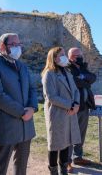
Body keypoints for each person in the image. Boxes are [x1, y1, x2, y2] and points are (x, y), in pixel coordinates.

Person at [0, 33, 38, 175]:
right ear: (2, 46)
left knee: (21, 167)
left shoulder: (22, 66)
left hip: (26, 126)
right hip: (7, 126)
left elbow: (32, 88)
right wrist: (22, 112)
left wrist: (32, 108)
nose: (17, 48)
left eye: (19, 44)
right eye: (13, 44)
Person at [41, 47, 81, 175]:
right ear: (53, 58)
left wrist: (76, 104)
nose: (64, 57)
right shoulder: (49, 74)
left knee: (66, 143)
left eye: (64, 54)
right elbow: (51, 96)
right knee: (55, 145)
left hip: (70, 113)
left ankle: (63, 169)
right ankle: (53, 171)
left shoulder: (67, 72)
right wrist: (70, 105)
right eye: (61, 55)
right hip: (57, 114)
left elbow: (75, 90)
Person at [67, 47, 96, 171]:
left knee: (80, 134)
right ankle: (66, 161)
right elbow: (74, 82)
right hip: (73, 107)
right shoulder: (67, 68)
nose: (78, 57)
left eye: (79, 55)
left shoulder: (82, 67)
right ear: (70, 57)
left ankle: (77, 157)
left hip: (84, 106)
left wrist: (83, 78)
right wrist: (86, 80)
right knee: (69, 135)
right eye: (75, 55)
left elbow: (93, 77)